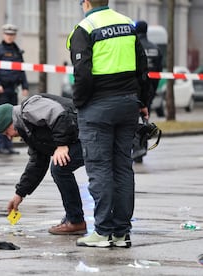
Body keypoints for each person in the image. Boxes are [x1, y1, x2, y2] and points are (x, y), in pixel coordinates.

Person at [67, 0, 150, 248]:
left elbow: (82, 73)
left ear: (87, 3)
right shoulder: (127, 24)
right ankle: (122, 232)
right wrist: (143, 101)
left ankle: (102, 232)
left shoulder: (84, 28)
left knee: (100, 169)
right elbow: (142, 68)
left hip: (98, 107)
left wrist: (79, 103)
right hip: (128, 105)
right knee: (123, 168)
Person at [0, 94, 86, 235]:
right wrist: (19, 193)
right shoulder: (28, 130)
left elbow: (59, 114)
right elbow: (38, 163)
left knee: (60, 168)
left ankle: (76, 221)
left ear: (10, 121)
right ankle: (74, 218)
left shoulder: (29, 109)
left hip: (89, 131)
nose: (9, 137)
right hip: (80, 135)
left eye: (6, 132)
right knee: (60, 168)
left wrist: (61, 145)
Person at [0, 23, 29, 155]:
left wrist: (25, 86)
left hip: (13, 89)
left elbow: (21, 70)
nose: (10, 37)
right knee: (1, 118)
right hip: (2, 90)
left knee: (13, 118)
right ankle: (0, 146)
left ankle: (9, 145)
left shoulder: (17, 51)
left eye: (12, 34)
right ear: (3, 34)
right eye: (7, 34)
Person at [132, 20, 163, 163]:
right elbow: (159, 71)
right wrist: (153, 90)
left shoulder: (134, 46)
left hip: (135, 89)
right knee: (145, 119)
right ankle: (142, 148)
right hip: (150, 90)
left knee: (133, 120)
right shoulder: (155, 48)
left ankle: (137, 149)